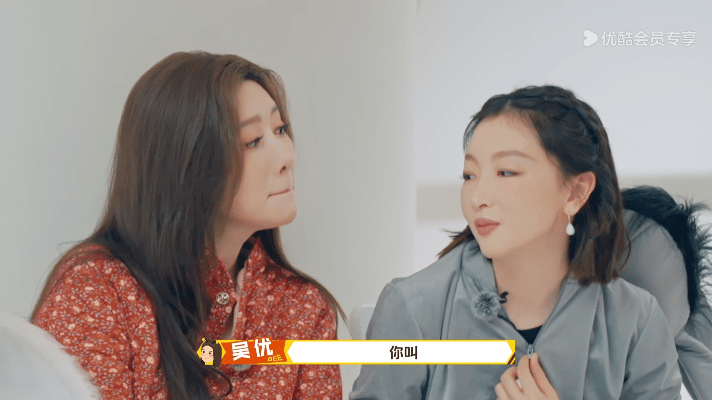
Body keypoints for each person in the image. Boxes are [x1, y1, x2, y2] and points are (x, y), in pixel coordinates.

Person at [31, 51, 345, 400]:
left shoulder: (303, 307)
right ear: (186, 167)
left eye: (280, 129)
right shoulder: (98, 291)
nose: (287, 157)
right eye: (253, 141)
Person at [350, 85, 684, 399]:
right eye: (469, 175)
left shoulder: (636, 322)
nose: (477, 197)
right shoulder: (411, 308)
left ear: (575, 192)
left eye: (506, 172)